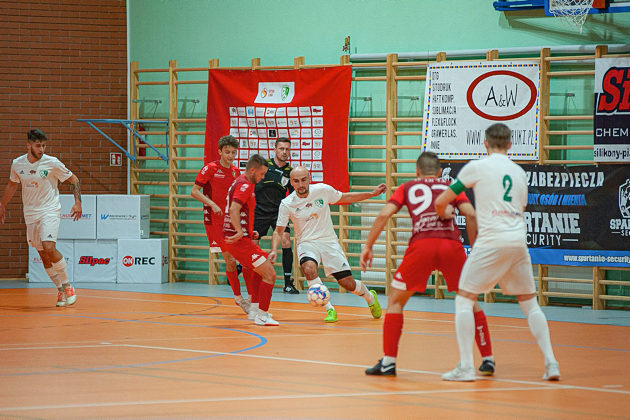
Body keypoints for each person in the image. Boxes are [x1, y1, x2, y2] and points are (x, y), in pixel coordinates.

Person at [435, 123, 560, 382]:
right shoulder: (519, 173)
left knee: (464, 300)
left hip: (491, 241)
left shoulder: (476, 167)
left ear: (485, 143)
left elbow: (442, 200)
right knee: (530, 304)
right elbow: (521, 206)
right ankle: (551, 363)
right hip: (517, 242)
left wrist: (442, 213)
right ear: (510, 145)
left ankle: (467, 367)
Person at [360, 151, 495, 377]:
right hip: (451, 246)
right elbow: (471, 214)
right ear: (440, 172)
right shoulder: (450, 186)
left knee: (395, 301)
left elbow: (384, 214)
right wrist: (475, 246)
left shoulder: (408, 187)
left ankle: (389, 362)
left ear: (417, 171)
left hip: (422, 246)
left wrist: (368, 246)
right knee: (470, 302)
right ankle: (488, 359)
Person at [268, 166, 385, 323]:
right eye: (296, 181)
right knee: (309, 269)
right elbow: (278, 230)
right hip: (307, 243)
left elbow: (345, 198)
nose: (300, 184)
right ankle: (330, 309)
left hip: (328, 241)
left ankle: (370, 297)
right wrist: (274, 249)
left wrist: (372, 194)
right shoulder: (287, 204)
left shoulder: (322, 190)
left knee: (348, 283)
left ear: (309, 179)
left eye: (303, 180)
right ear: (291, 182)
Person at [0, 129, 81, 307]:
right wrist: (2, 204)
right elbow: (12, 185)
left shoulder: (52, 163)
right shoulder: (17, 164)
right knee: (43, 253)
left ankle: (68, 286)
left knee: (48, 246)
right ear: (28, 145)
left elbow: (73, 179)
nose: (42, 149)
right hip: (30, 213)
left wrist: (77, 202)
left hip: (50, 210)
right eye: (38, 146)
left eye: (44, 145)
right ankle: (60, 290)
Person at [191, 135, 250, 315]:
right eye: (227, 152)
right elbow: (194, 191)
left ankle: (246, 297)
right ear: (220, 151)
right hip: (214, 220)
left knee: (244, 260)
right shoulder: (210, 168)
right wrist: (212, 204)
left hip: (230, 220)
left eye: (233, 152)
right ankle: (239, 298)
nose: (230, 156)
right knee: (230, 259)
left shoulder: (235, 172)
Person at [223, 154, 278, 326]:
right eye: (261, 174)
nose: (262, 178)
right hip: (238, 241)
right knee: (270, 273)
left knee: (257, 270)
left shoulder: (238, 181)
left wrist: (247, 231)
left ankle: (254, 310)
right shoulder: (246, 185)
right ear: (252, 170)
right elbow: (233, 209)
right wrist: (240, 231)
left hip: (237, 238)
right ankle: (262, 315)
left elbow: (238, 211)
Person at [252, 137, 298, 294]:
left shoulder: (290, 172)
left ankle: (287, 283)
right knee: (253, 242)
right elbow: (252, 185)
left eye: (287, 149)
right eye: (281, 149)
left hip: (279, 212)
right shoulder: (264, 166)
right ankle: (247, 273)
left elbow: (293, 196)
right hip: (259, 211)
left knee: (286, 241)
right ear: (275, 150)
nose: (284, 152)